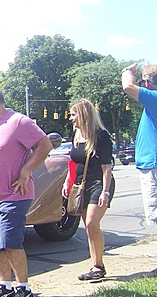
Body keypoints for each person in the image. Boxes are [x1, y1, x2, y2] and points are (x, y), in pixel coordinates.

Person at [0, 85, 53, 297]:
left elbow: (44, 144)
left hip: (14, 195)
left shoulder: (19, 122)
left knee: (11, 242)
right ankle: (5, 286)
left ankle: (24, 289)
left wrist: (26, 171)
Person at [62, 99, 114, 280]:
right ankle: (96, 266)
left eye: (74, 114)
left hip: (99, 183)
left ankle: (98, 265)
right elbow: (74, 161)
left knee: (92, 222)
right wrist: (68, 181)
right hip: (80, 184)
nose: (71, 118)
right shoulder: (76, 134)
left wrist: (105, 192)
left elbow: (107, 168)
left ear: (84, 115)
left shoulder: (101, 136)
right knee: (88, 227)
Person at [122, 62, 157, 275]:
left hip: (153, 165)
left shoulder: (154, 99)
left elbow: (127, 86)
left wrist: (128, 72)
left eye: (143, 80)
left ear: (146, 83)